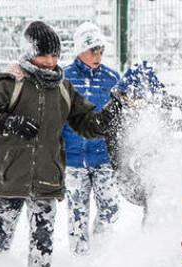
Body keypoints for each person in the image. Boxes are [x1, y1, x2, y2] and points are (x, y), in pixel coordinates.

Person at [0, 21, 116, 267]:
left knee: (42, 246)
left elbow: (87, 123)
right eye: (43, 54)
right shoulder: (9, 83)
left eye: (55, 55)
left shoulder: (62, 88)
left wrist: (112, 116)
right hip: (9, 179)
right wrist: (6, 122)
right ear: (28, 53)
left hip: (47, 179)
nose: (50, 61)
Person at [103, 61, 182, 225]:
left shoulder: (167, 109)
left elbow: (178, 139)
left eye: (140, 97)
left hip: (159, 170)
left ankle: (156, 230)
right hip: (128, 174)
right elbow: (112, 145)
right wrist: (124, 166)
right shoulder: (114, 111)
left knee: (157, 196)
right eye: (129, 96)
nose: (135, 102)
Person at [62, 22, 120, 255]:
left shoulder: (112, 78)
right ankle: (80, 258)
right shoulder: (63, 78)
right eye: (92, 49)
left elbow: (119, 118)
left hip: (104, 158)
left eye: (100, 50)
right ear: (79, 50)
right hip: (74, 159)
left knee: (110, 207)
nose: (97, 55)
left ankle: (100, 253)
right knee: (77, 211)